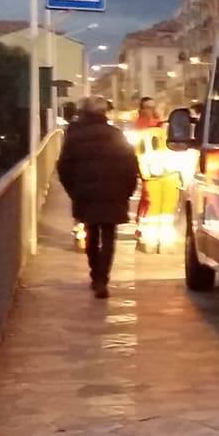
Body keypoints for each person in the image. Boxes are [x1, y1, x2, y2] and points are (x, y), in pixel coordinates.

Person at [56, 95, 139, 298]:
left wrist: (73, 191)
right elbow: (131, 166)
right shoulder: (117, 135)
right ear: (104, 113)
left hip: (86, 194)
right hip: (114, 193)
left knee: (91, 233)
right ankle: (103, 278)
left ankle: (96, 274)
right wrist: (127, 192)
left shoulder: (75, 137)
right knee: (109, 236)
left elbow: (64, 167)